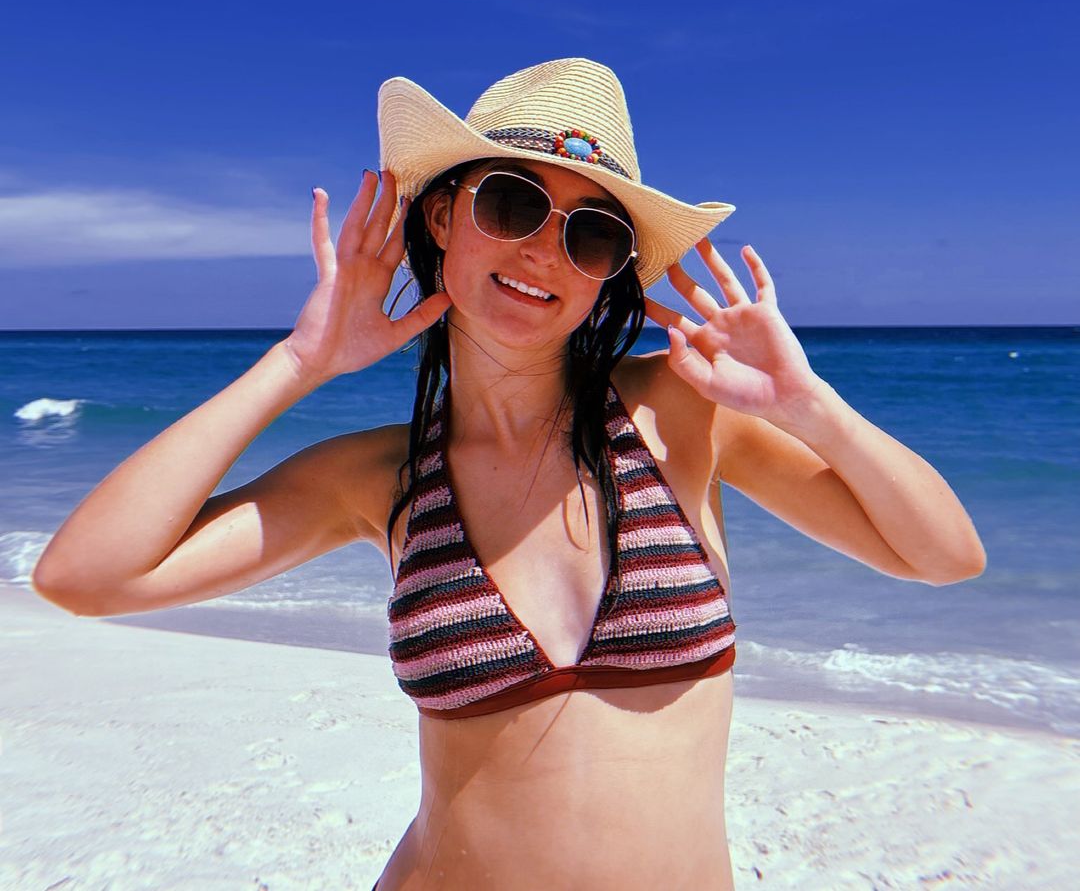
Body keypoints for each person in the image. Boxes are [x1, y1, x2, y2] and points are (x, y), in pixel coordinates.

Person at [31, 58, 987, 890]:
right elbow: (86, 577)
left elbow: (943, 557)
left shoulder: (684, 413)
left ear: (609, 273)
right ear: (446, 216)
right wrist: (298, 363)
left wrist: (810, 407)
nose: (544, 250)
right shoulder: (378, 480)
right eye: (513, 203)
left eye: (591, 232)